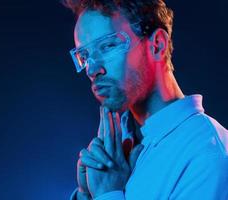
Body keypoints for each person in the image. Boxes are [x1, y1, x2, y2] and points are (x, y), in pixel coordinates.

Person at [62, 0, 228, 199]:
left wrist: (108, 194)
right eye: (84, 55)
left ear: (157, 44)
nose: (91, 69)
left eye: (108, 46)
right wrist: (86, 195)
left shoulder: (208, 155)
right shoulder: (113, 153)